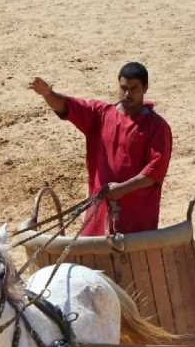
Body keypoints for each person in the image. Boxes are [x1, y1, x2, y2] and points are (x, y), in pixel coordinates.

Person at [29, 62, 173, 236]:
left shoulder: (157, 127)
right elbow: (67, 106)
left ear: (145, 88)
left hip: (136, 223)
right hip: (98, 215)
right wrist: (47, 94)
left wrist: (122, 189)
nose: (127, 94)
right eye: (123, 88)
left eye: (133, 88)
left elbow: (153, 173)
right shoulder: (100, 114)